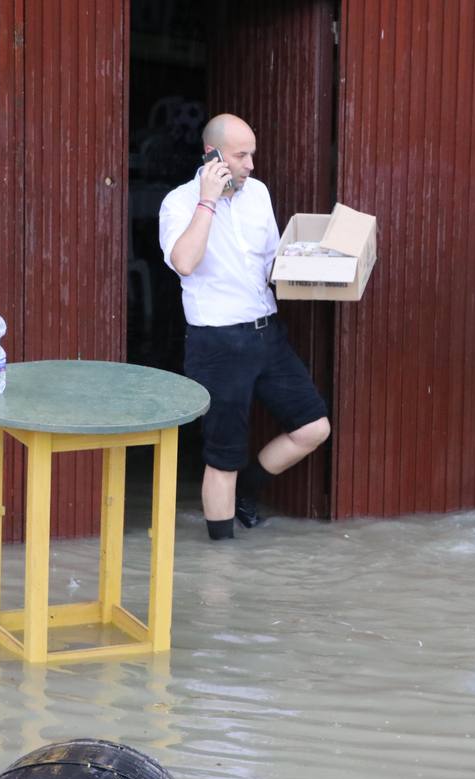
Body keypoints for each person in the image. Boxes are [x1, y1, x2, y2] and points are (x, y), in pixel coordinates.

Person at [159, 113, 331, 541]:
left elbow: (272, 262)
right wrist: (208, 201)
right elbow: (184, 262)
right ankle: (222, 561)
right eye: (241, 155)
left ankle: (247, 492)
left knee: (314, 427)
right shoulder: (178, 204)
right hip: (216, 342)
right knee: (223, 458)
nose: (251, 164)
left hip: (266, 332)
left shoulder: (258, 194)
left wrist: (329, 263)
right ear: (212, 156)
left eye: (252, 153)